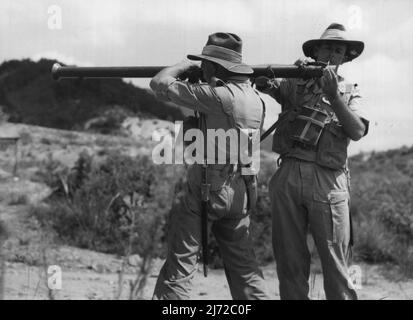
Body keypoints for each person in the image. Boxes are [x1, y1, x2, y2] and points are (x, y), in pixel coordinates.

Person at [150, 32, 269, 300]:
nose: (202, 68)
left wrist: (182, 67)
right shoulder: (257, 99)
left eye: (205, 64)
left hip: (208, 187)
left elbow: (158, 83)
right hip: (243, 188)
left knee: (181, 265)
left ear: (215, 67)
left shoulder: (217, 96)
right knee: (245, 270)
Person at [256, 23, 369, 300]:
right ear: (316, 50)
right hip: (290, 173)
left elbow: (356, 131)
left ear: (345, 57)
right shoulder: (294, 82)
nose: (332, 53)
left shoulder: (350, 90)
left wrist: (333, 97)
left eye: (338, 50)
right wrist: (278, 76)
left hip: (328, 180)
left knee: (336, 263)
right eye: (327, 47)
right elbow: (263, 81)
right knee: (289, 260)